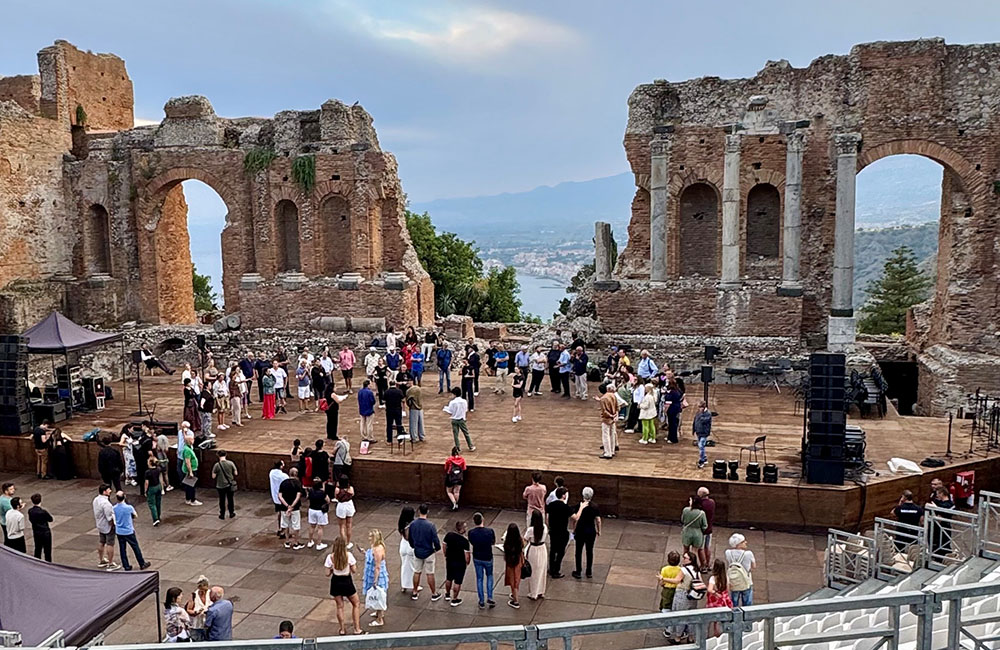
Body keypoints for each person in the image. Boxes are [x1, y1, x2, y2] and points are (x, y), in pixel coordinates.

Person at [325, 536, 363, 635]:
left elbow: (327, 573)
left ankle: (342, 629)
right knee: (356, 604)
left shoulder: (330, 557)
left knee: (340, 606)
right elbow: (354, 570)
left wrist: (333, 569)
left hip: (336, 582)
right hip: (347, 581)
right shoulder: (348, 556)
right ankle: (357, 629)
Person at [409, 503, 442, 601]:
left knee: (417, 572)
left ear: (419, 511)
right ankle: (433, 593)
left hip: (418, 551)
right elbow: (435, 540)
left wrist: (414, 546)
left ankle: (415, 592)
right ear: (427, 511)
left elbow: (410, 538)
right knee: (430, 573)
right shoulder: (430, 525)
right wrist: (436, 548)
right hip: (429, 552)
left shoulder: (413, 524)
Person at [112, 491, 150, 570]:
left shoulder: (114, 508)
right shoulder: (129, 508)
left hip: (119, 531)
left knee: (122, 549)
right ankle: (141, 563)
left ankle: (126, 565)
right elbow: (135, 515)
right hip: (128, 531)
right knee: (135, 547)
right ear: (124, 497)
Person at [669, 551, 701, 643]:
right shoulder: (696, 570)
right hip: (693, 596)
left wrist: (663, 579)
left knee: (680, 616)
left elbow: (676, 580)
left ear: (690, 560)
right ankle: (691, 637)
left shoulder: (684, 570)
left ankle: (678, 637)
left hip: (682, 595)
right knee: (691, 617)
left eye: (685, 558)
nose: (683, 559)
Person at [570, 487, 601, 579]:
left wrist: (574, 530)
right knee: (590, 551)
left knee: (578, 551)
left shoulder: (578, 506)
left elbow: (575, 520)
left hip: (580, 531)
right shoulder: (595, 506)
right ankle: (589, 571)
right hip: (591, 531)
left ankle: (578, 571)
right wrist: (599, 530)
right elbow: (598, 520)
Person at [467, 512, 496, 609]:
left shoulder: (471, 533)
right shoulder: (490, 531)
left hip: (477, 557)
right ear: (483, 520)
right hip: (488, 557)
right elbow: (493, 542)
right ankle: (490, 596)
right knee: (490, 576)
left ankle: (481, 600)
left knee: (479, 578)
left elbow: (471, 542)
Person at [363, 529, 389, 626]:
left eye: (371, 537)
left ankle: (380, 619)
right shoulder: (375, 546)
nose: (369, 538)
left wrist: (375, 580)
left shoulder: (378, 549)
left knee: (379, 595)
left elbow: (377, 567)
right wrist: (365, 552)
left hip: (377, 575)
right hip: (372, 573)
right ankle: (378, 612)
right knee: (378, 595)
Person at [442, 521, 471, 606]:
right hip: (460, 563)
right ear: (462, 529)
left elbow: (444, 545)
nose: (466, 528)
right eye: (465, 527)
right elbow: (467, 555)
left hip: (450, 560)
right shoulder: (465, 541)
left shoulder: (449, 535)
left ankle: (447, 594)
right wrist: (467, 563)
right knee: (458, 581)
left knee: (449, 578)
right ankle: (454, 599)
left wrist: (446, 554)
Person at [92, 484, 119, 570]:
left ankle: (101, 560)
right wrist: (113, 526)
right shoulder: (106, 504)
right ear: (104, 492)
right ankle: (110, 563)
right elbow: (109, 518)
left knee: (101, 542)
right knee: (110, 544)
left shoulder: (96, 500)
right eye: (108, 490)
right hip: (107, 526)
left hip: (100, 524)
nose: (110, 491)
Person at [546, 486, 571, 578]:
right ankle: (556, 570)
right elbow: (575, 517)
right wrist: (581, 508)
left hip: (553, 531)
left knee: (552, 550)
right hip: (562, 532)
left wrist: (549, 527)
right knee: (560, 551)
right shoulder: (565, 507)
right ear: (563, 496)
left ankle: (551, 568)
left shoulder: (551, 505)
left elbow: (547, 517)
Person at [523, 510, 548, 600]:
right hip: (542, 549)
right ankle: (541, 591)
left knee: (533, 572)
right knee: (542, 571)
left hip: (533, 550)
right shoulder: (544, 527)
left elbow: (525, 540)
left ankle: (534, 593)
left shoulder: (531, 530)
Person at [725, 533, 756, 607]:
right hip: (746, 581)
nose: (746, 542)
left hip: (734, 581)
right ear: (738, 544)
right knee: (747, 602)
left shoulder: (728, 552)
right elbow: (754, 566)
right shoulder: (748, 554)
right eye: (743, 541)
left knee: (734, 602)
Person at [279, 468, 305, 550]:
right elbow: (298, 496)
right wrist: (292, 506)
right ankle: (296, 542)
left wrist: (287, 506)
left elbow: (280, 496)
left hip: (284, 508)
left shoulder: (283, 483)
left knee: (285, 524)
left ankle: (287, 541)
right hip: (295, 508)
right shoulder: (297, 483)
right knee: (296, 525)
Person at [706, 559, 734, 637]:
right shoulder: (726, 577)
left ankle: (710, 634)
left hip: (715, 600)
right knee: (721, 618)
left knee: (711, 617)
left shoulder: (713, 578)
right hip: (724, 599)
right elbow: (728, 589)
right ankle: (720, 634)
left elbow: (709, 589)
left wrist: (715, 593)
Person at [444, 386, 475, 451]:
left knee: (456, 435)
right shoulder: (464, 401)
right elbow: (465, 409)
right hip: (461, 419)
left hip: (454, 419)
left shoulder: (452, 402)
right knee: (466, 433)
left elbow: (450, 411)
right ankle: (470, 445)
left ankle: (457, 447)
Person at [211, 450, 238, 520]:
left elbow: (213, 476)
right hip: (229, 484)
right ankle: (231, 513)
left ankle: (222, 514)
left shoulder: (217, 465)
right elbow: (236, 473)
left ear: (218, 456)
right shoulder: (230, 463)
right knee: (230, 499)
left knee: (222, 500)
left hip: (220, 485)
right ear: (226, 455)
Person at [305, 477, 331, 550]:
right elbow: (328, 500)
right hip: (320, 511)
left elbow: (308, 497)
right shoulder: (322, 493)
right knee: (320, 527)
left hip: (312, 510)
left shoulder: (310, 491)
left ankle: (310, 541)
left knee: (312, 526)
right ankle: (319, 543)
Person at [502, 523, 524, 609]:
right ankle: (515, 594)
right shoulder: (519, 541)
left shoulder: (507, 543)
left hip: (510, 563)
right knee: (516, 580)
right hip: (518, 562)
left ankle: (516, 601)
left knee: (512, 581)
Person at [27, 493, 52, 561]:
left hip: (36, 532)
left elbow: (30, 519)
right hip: (45, 532)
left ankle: (37, 562)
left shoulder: (30, 511)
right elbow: (50, 519)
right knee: (47, 550)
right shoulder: (43, 512)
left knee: (37, 548)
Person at [397, 507, 417, 594]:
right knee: (413, 568)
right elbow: (410, 537)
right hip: (410, 547)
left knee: (404, 566)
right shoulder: (412, 524)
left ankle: (404, 586)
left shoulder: (401, 523)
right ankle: (414, 587)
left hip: (403, 546)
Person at [185, 577, 211, 641]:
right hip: (197, 625)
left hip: (208, 624)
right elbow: (188, 610)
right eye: (201, 590)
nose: (203, 593)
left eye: (205, 590)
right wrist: (196, 612)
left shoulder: (211, 593)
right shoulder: (194, 596)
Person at [597, 383, 619, 459]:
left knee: (606, 436)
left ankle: (607, 452)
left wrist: (611, 416)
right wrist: (615, 414)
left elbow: (604, 411)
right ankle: (612, 451)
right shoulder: (613, 395)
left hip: (607, 419)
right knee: (612, 434)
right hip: (613, 418)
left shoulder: (603, 399)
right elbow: (617, 406)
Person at [334, 476, 356, 549]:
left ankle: (343, 543)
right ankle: (348, 542)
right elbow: (352, 495)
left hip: (341, 506)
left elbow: (336, 497)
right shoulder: (350, 488)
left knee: (342, 526)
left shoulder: (337, 489)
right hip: (349, 505)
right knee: (349, 525)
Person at [181, 431, 202, 506]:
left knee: (189, 485)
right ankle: (192, 500)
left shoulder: (188, 448)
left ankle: (188, 499)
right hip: (191, 470)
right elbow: (187, 462)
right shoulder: (187, 450)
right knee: (191, 485)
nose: (194, 440)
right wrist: (190, 472)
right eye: (192, 439)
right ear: (190, 441)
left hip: (191, 469)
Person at [269, 460, 289, 538]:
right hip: (283, 497)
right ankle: (283, 531)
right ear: (281, 466)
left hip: (275, 497)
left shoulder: (271, 473)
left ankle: (280, 528)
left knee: (279, 513)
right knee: (284, 515)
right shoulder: (284, 476)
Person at [698, 486, 716, 569]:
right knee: (707, 547)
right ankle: (708, 564)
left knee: (700, 548)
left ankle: (703, 565)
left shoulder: (701, 504)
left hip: (702, 529)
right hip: (710, 528)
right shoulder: (712, 502)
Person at [662, 378, 683, 444]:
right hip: (677, 408)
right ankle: (670, 436)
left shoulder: (671, 392)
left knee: (672, 424)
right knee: (673, 423)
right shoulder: (678, 391)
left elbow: (668, 402)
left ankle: (673, 438)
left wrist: (665, 411)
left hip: (672, 409)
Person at [143, 456, 162, 526]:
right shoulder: (158, 469)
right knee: (158, 502)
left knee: (152, 504)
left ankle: (155, 518)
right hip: (158, 486)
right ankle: (159, 516)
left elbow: (146, 483)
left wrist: (145, 491)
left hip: (151, 488)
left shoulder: (147, 472)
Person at [694, 401, 713, 468]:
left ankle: (701, 460)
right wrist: (694, 429)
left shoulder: (708, 414)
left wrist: (701, 414)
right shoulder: (698, 413)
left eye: (700, 407)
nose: (699, 409)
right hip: (698, 431)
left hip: (704, 432)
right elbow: (695, 420)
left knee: (701, 445)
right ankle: (704, 458)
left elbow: (704, 420)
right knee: (701, 446)